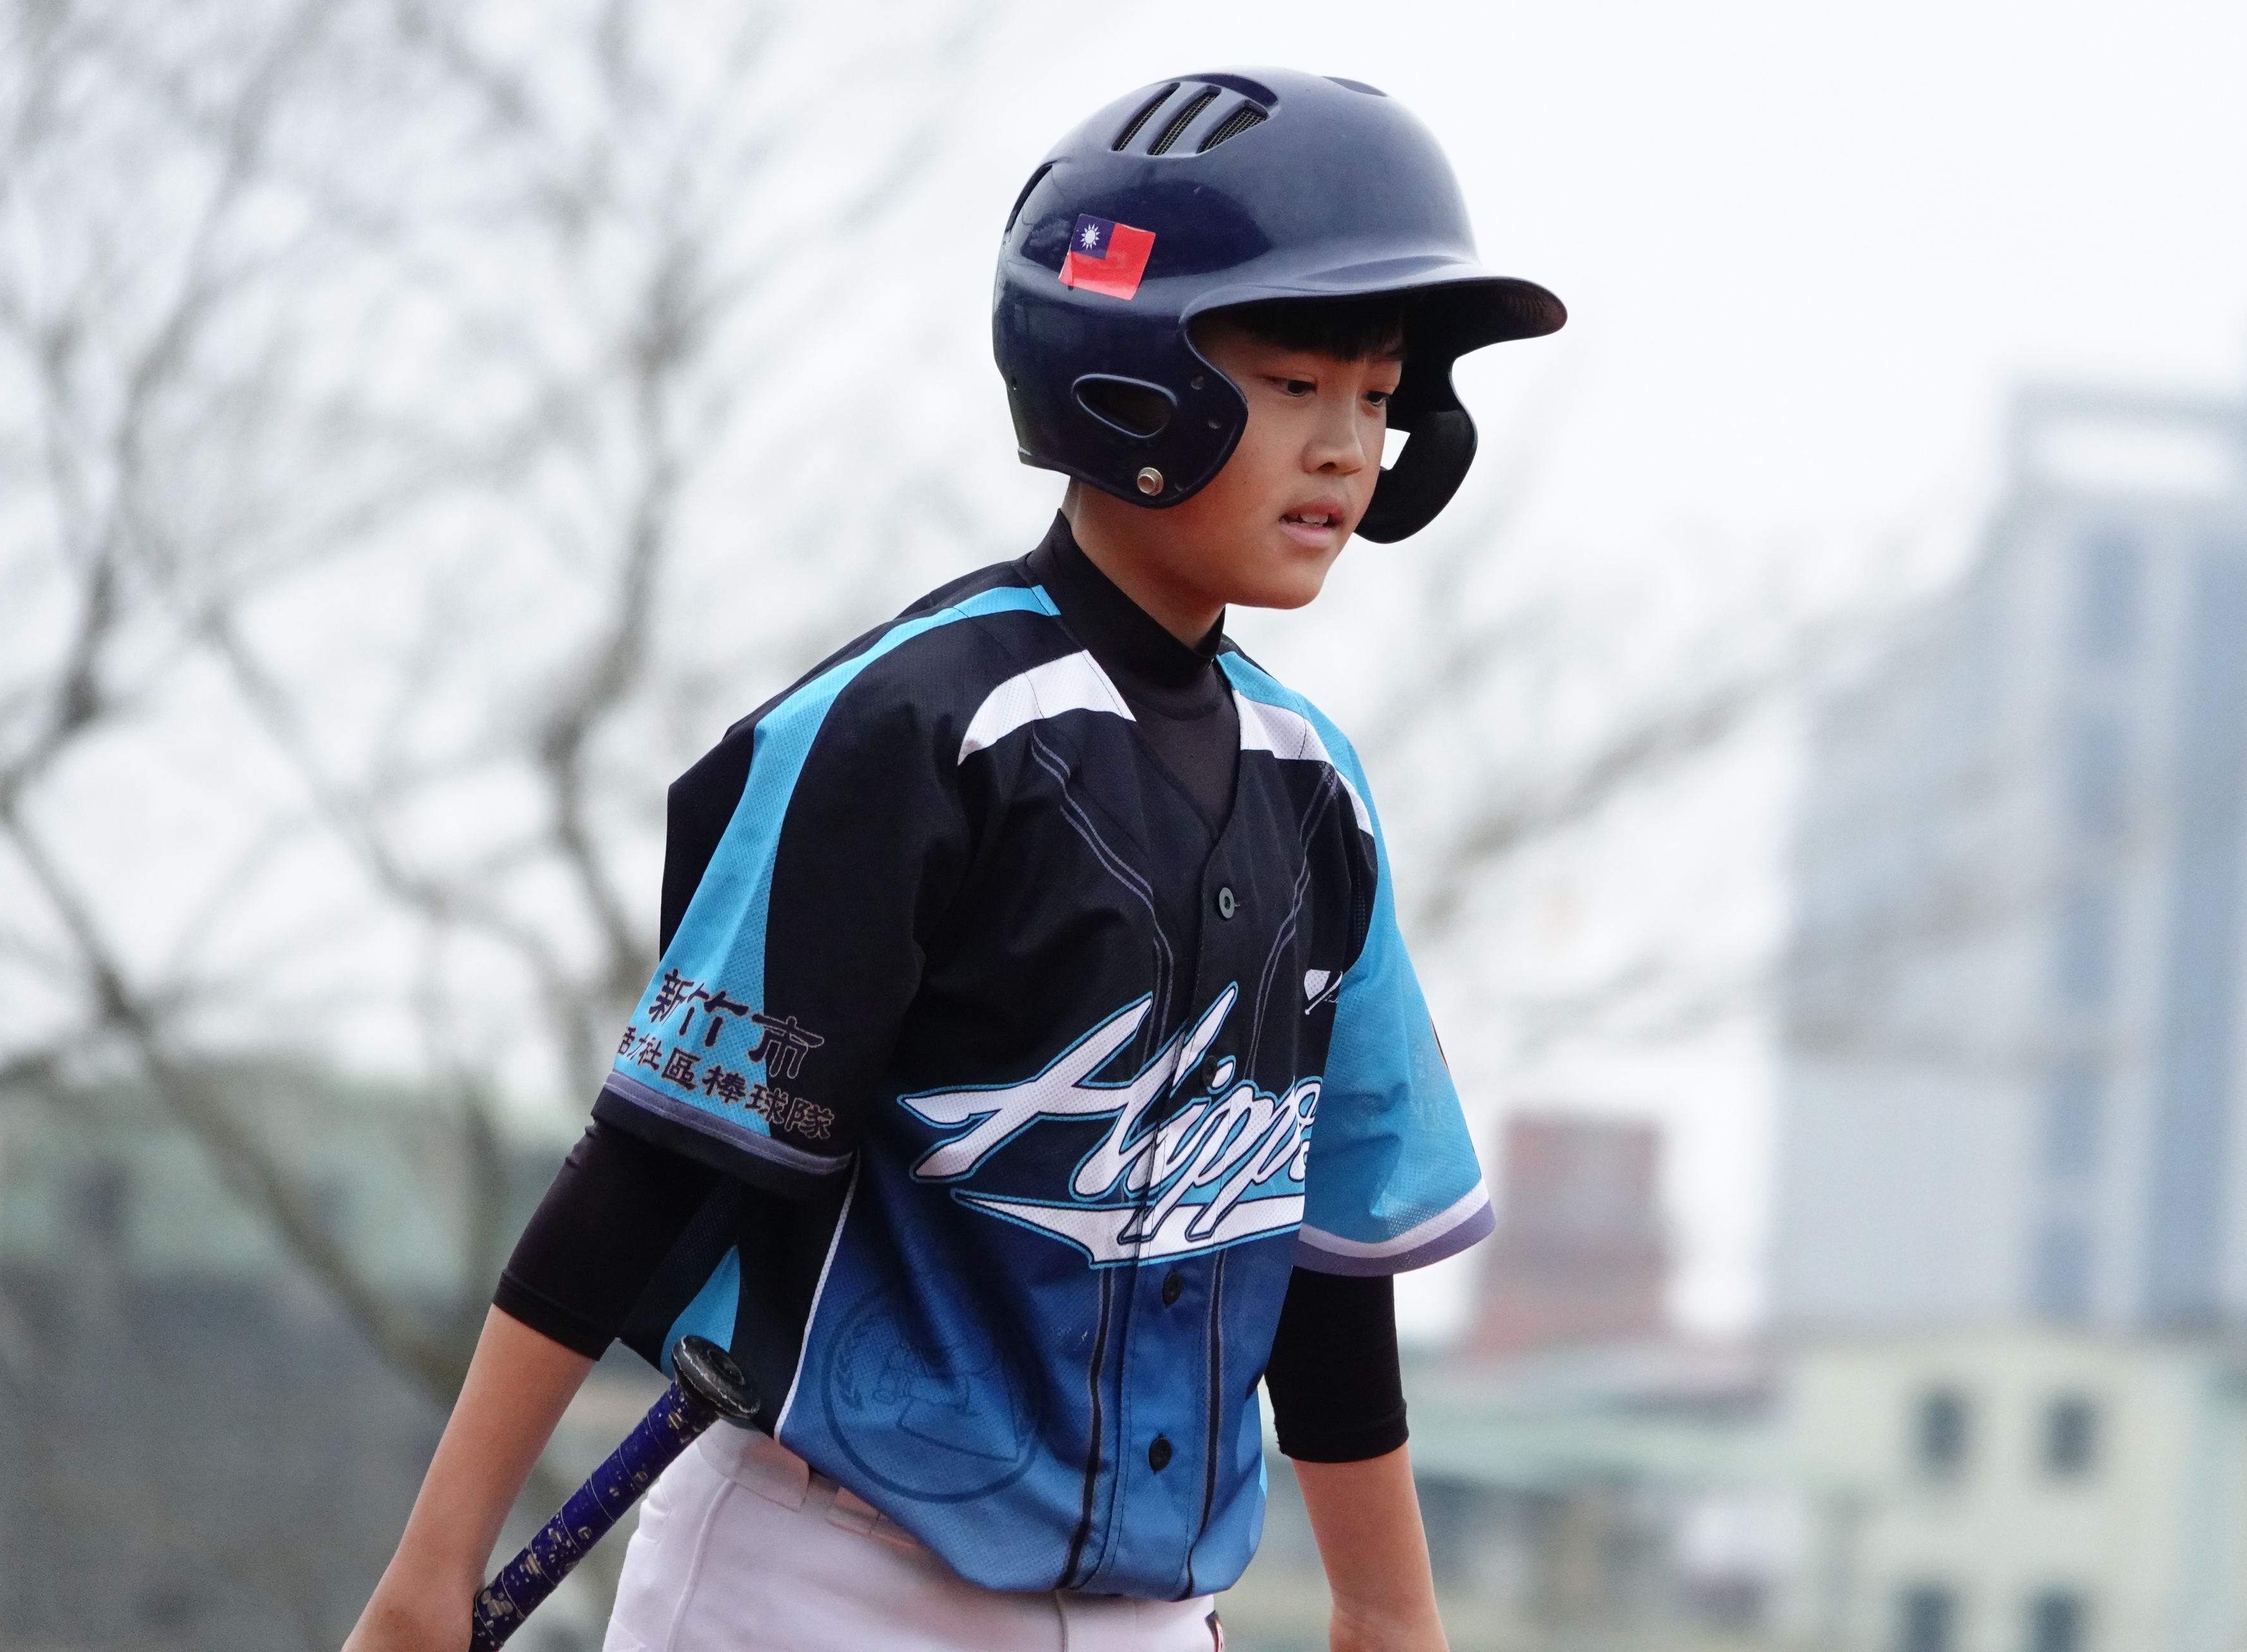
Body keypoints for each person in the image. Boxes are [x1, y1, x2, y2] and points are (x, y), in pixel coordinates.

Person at [344, 66, 1562, 1652]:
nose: (1347, 447)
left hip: (1148, 1612)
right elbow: (647, 1168)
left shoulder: (1315, 791)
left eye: (1380, 396)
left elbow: (1323, 1254)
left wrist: (1389, 1616)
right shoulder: (915, 728)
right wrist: (430, 1579)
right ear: (1123, 374)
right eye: (1292, 382)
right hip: (822, 1576)